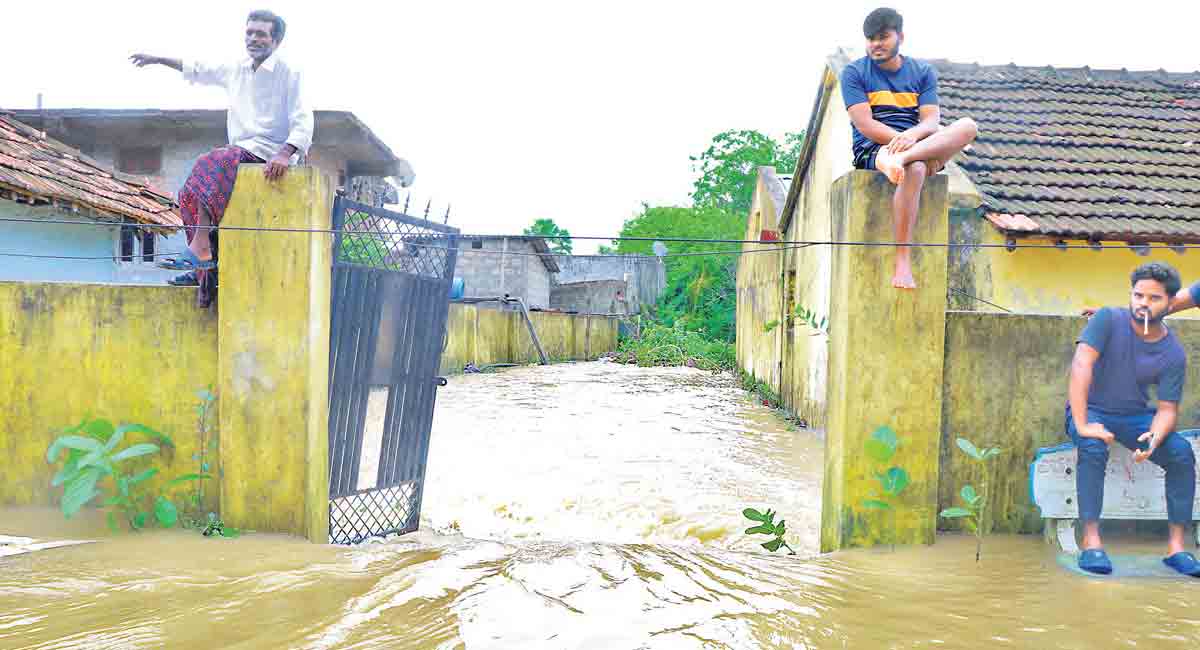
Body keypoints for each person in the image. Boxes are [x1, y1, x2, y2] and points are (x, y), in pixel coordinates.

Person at [130, 9, 313, 288]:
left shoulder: (289, 73)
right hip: (238, 152)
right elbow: (198, 68)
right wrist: (158, 60)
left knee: (214, 158)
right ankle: (203, 268)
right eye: (249, 32)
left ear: (275, 41)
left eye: (261, 34)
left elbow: (303, 119)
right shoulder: (236, 69)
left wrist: (285, 153)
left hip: (267, 152)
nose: (253, 38)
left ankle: (200, 247)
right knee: (191, 191)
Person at [1067, 261, 1199, 576]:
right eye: (1138, 295)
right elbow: (1081, 366)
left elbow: (1167, 410)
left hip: (1135, 416)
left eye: (1154, 298)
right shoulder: (1108, 320)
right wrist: (1084, 423)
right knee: (1092, 445)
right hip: (1093, 409)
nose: (1143, 303)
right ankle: (1092, 542)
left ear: (1169, 304)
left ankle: (1177, 548)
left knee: (1181, 453)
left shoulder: (1173, 352)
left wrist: (1153, 439)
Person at [840, 7, 978, 289]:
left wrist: (911, 139)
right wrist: (898, 144)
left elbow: (930, 121)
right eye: (870, 39)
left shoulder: (922, 71)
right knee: (914, 168)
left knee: (967, 126)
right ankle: (902, 261)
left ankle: (906, 157)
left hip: (915, 143)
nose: (876, 44)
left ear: (900, 36)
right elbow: (865, 125)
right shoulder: (853, 73)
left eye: (883, 37)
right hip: (875, 148)